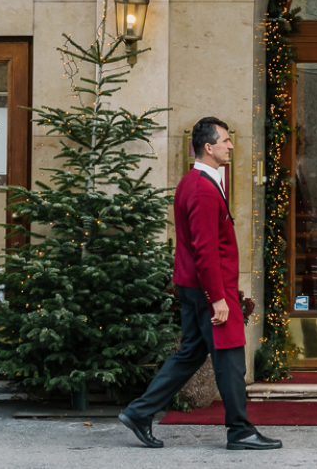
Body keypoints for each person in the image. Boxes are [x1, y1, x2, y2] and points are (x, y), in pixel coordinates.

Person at [118, 117, 281, 451]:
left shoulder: (192, 182)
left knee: (191, 353)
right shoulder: (204, 189)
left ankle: (139, 412)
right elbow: (205, 250)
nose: (231, 145)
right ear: (208, 147)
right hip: (210, 288)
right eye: (225, 140)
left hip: (193, 285)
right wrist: (218, 298)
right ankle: (240, 431)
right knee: (231, 358)